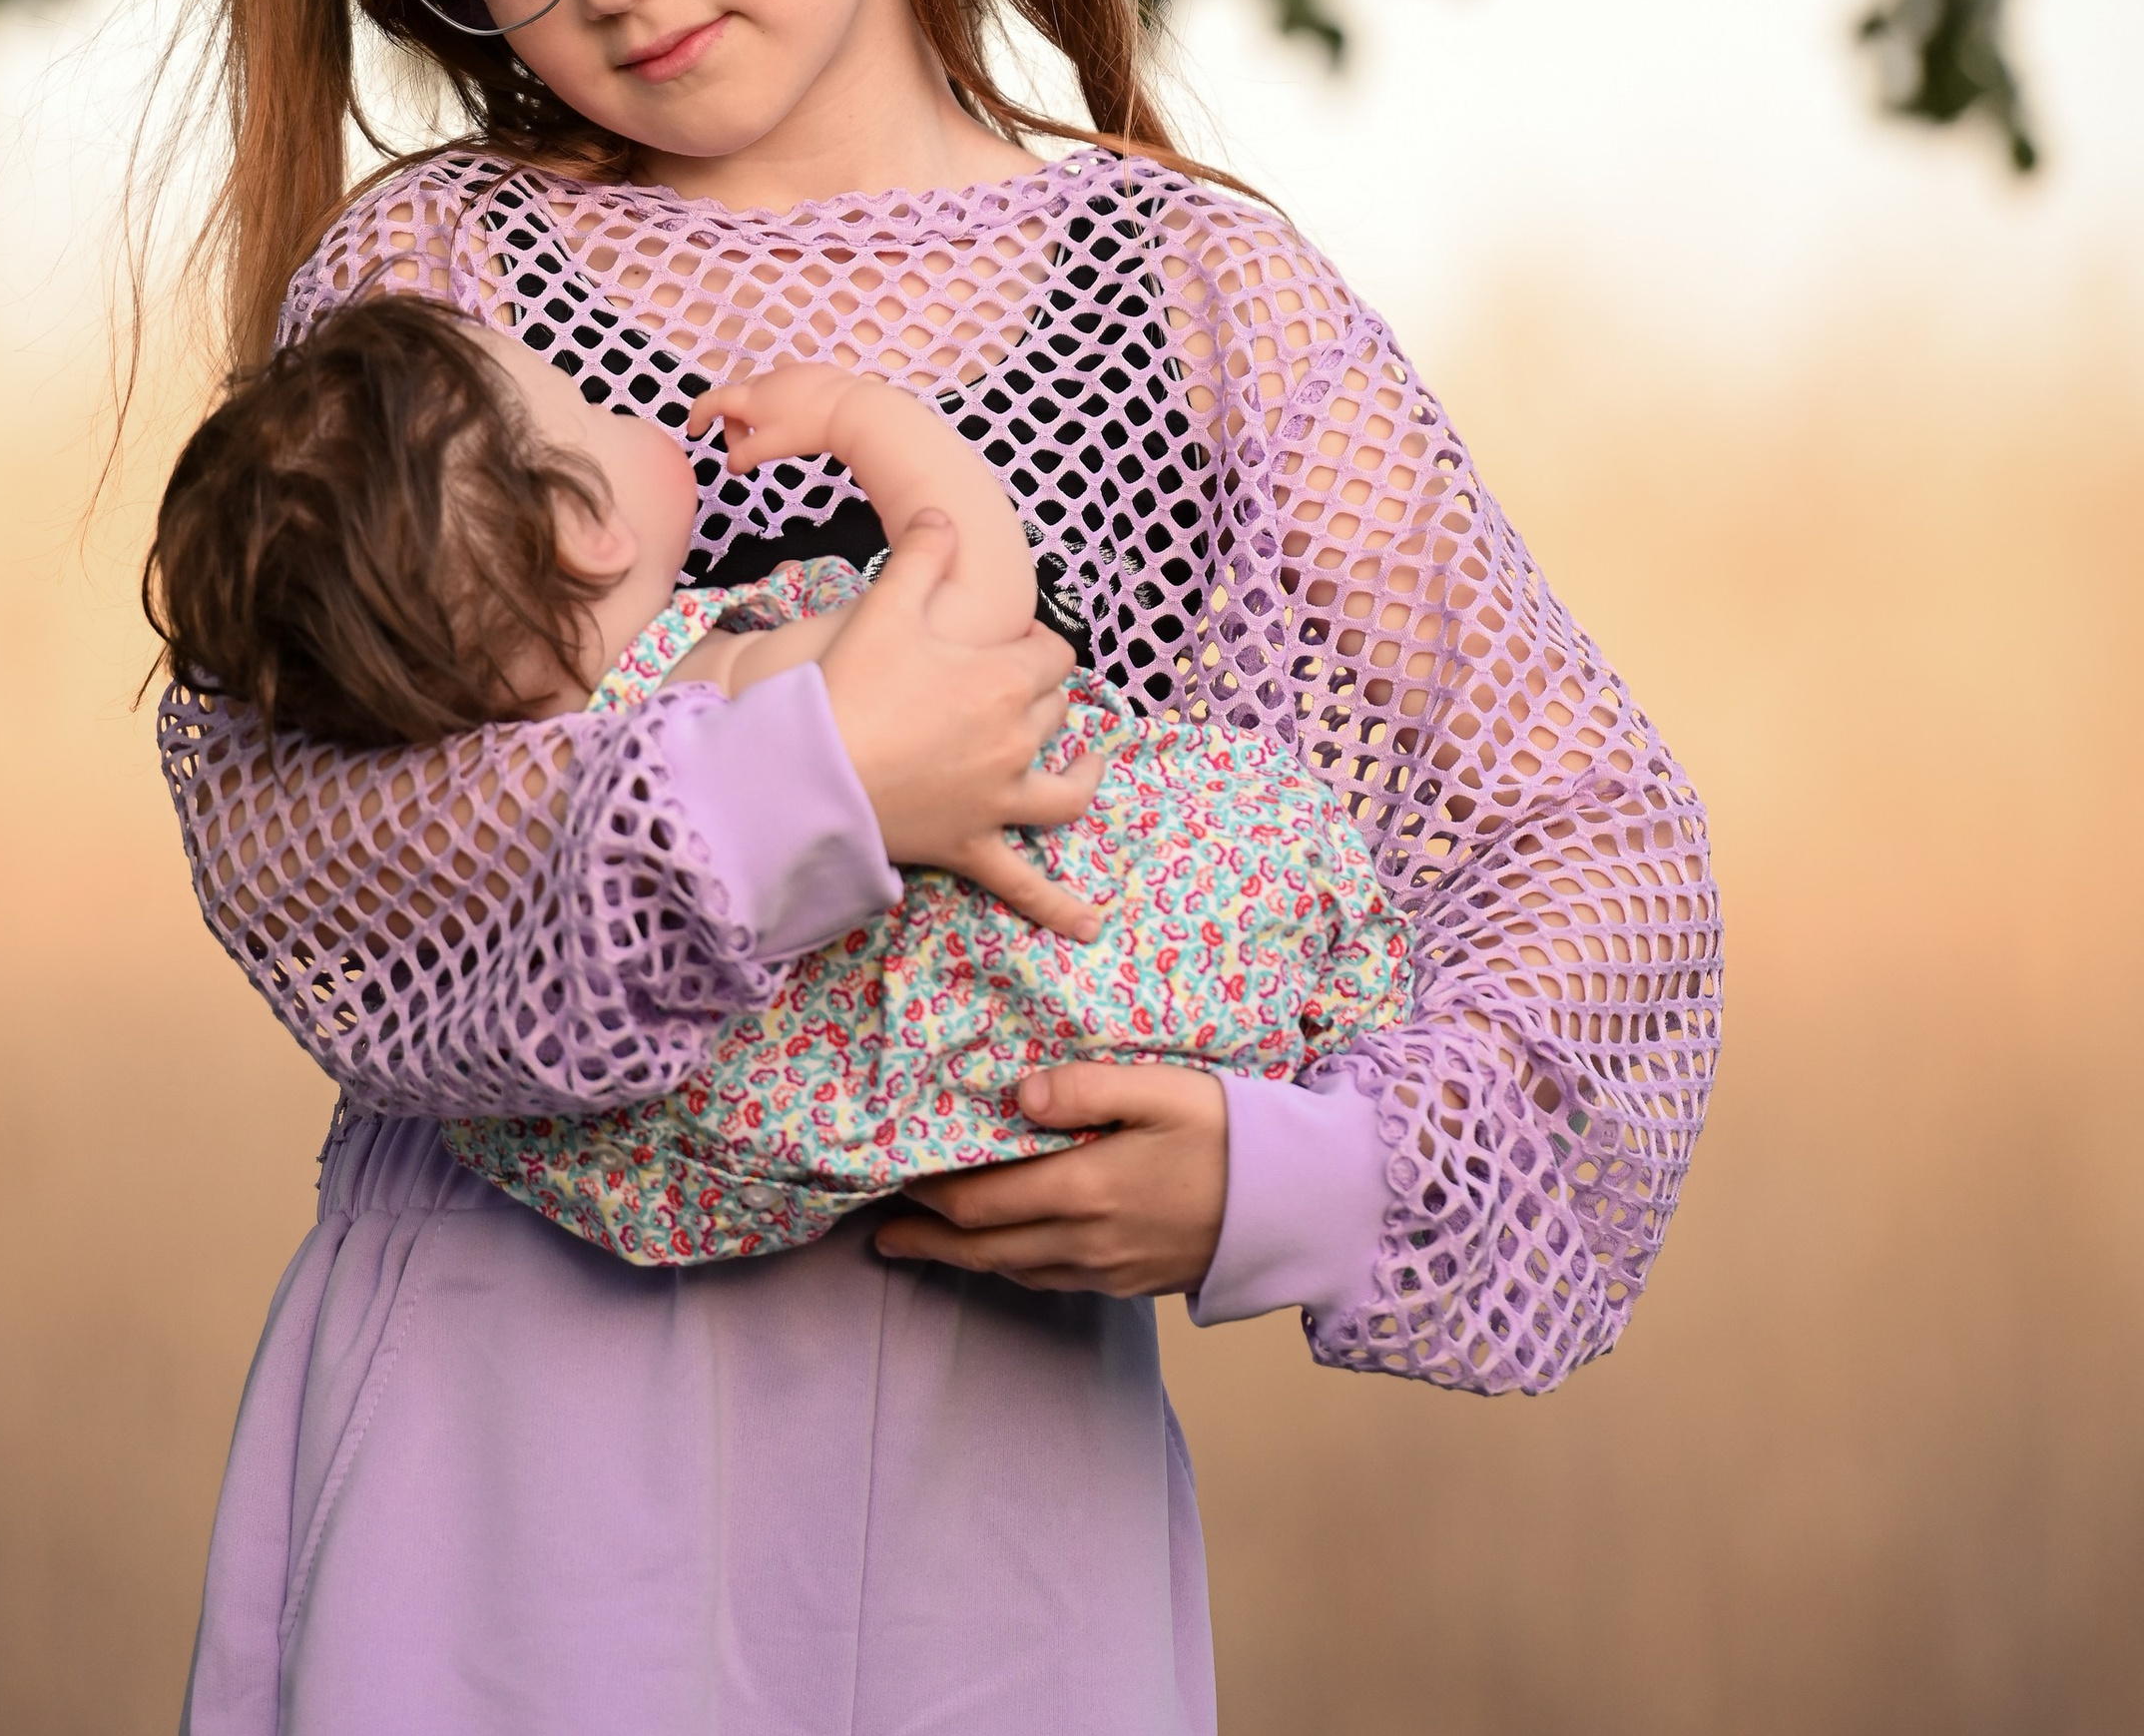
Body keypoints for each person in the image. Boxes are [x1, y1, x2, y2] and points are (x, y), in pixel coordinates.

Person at [160, 0, 1722, 1736]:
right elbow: (293, 831)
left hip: (993, 1524)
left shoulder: (1189, 301)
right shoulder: (442, 285)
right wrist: (801, 785)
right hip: (510, 1481)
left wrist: (1292, 1172)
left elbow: (1580, 839)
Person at [145, 297, 1410, 1264]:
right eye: (587, 408)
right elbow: (981, 605)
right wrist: (868, 421)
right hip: (1103, 955)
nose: (616, 407)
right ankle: (1325, 999)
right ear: (589, 530)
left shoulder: (517, 807)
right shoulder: (719, 685)